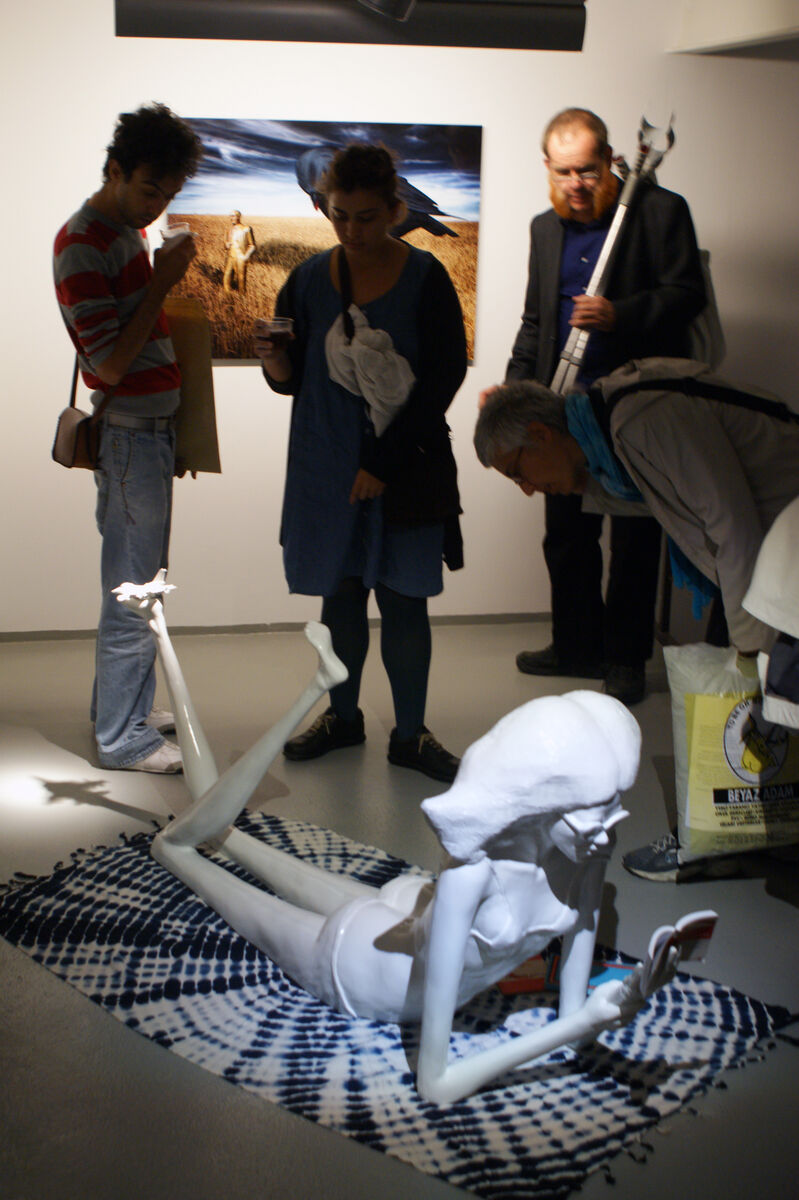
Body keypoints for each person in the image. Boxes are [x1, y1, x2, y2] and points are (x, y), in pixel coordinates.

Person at [114, 571, 690, 1105]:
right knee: (183, 848)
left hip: (403, 914)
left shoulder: (589, 842)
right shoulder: (475, 874)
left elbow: (574, 1017)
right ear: (540, 804)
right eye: (591, 814)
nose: (610, 830)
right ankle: (167, 638)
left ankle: (173, 635)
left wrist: (619, 1002)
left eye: (616, 806)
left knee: (222, 837)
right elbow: (436, 1085)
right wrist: (581, 1022)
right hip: (357, 964)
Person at [256, 143, 467, 783]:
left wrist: (384, 461)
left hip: (406, 465)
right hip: (326, 467)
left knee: (405, 601)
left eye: (366, 217)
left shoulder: (427, 278)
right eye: (339, 215)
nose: (350, 230)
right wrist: (274, 361)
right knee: (340, 597)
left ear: (396, 209)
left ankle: (410, 734)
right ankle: (343, 719)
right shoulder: (307, 279)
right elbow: (292, 381)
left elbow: (443, 378)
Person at [502, 108, 705, 705]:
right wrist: (515, 391)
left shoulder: (661, 211)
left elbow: (687, 294)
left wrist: (622, 314)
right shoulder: (545, 228)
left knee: (634, 541)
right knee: (566, 537)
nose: (576, 184)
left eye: (587, 170)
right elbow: (535, 322)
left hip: (635, 411)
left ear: (610, 160)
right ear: (547, 167)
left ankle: (625, 660)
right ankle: (575, 645)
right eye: (563, 172)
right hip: (564, 412)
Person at [53, 103, 204, 772]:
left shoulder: (121, 232)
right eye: (148, 190)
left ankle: (123, 709)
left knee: (140, 581)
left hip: (147, 435)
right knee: (134, 590)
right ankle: (122, 738)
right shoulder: (83, 242)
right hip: (130, 437)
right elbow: (109, 364)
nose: (156, 207)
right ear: (114, 169)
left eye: (168, 194)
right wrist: (164, 281)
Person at [223, 210, 256, 293]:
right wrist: (226, 245)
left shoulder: (246, 229)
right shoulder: (229, 230)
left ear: (238, 217)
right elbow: (225, 244)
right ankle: (227, 296)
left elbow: (252, 245)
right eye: (230, 216)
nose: (231, 218)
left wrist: (245, 257)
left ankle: (242, 297)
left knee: (241, 280)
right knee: (226, 277)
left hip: (241, 257)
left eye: (233, 216)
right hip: (230, 257)